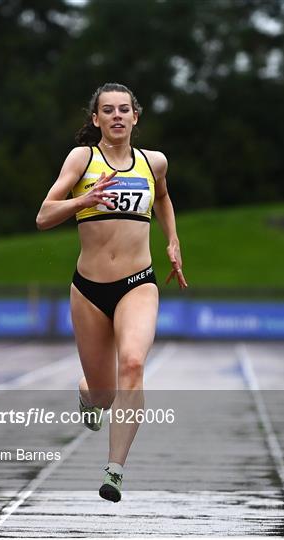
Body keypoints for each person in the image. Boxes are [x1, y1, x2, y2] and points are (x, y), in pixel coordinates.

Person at [36, 82, 187, 502]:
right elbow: (44, 216)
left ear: (135, 117)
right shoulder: (82, 158)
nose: (117, 116)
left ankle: (114, 470)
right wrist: (85, 198)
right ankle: (87, 392)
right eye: (108, 110)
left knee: (134, 365)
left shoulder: (153, 161)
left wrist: (172, 240)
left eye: (124, 109)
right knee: (103, 393)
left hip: (138, 282)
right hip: (88, 289)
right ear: (95, 119)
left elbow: (163, 197)